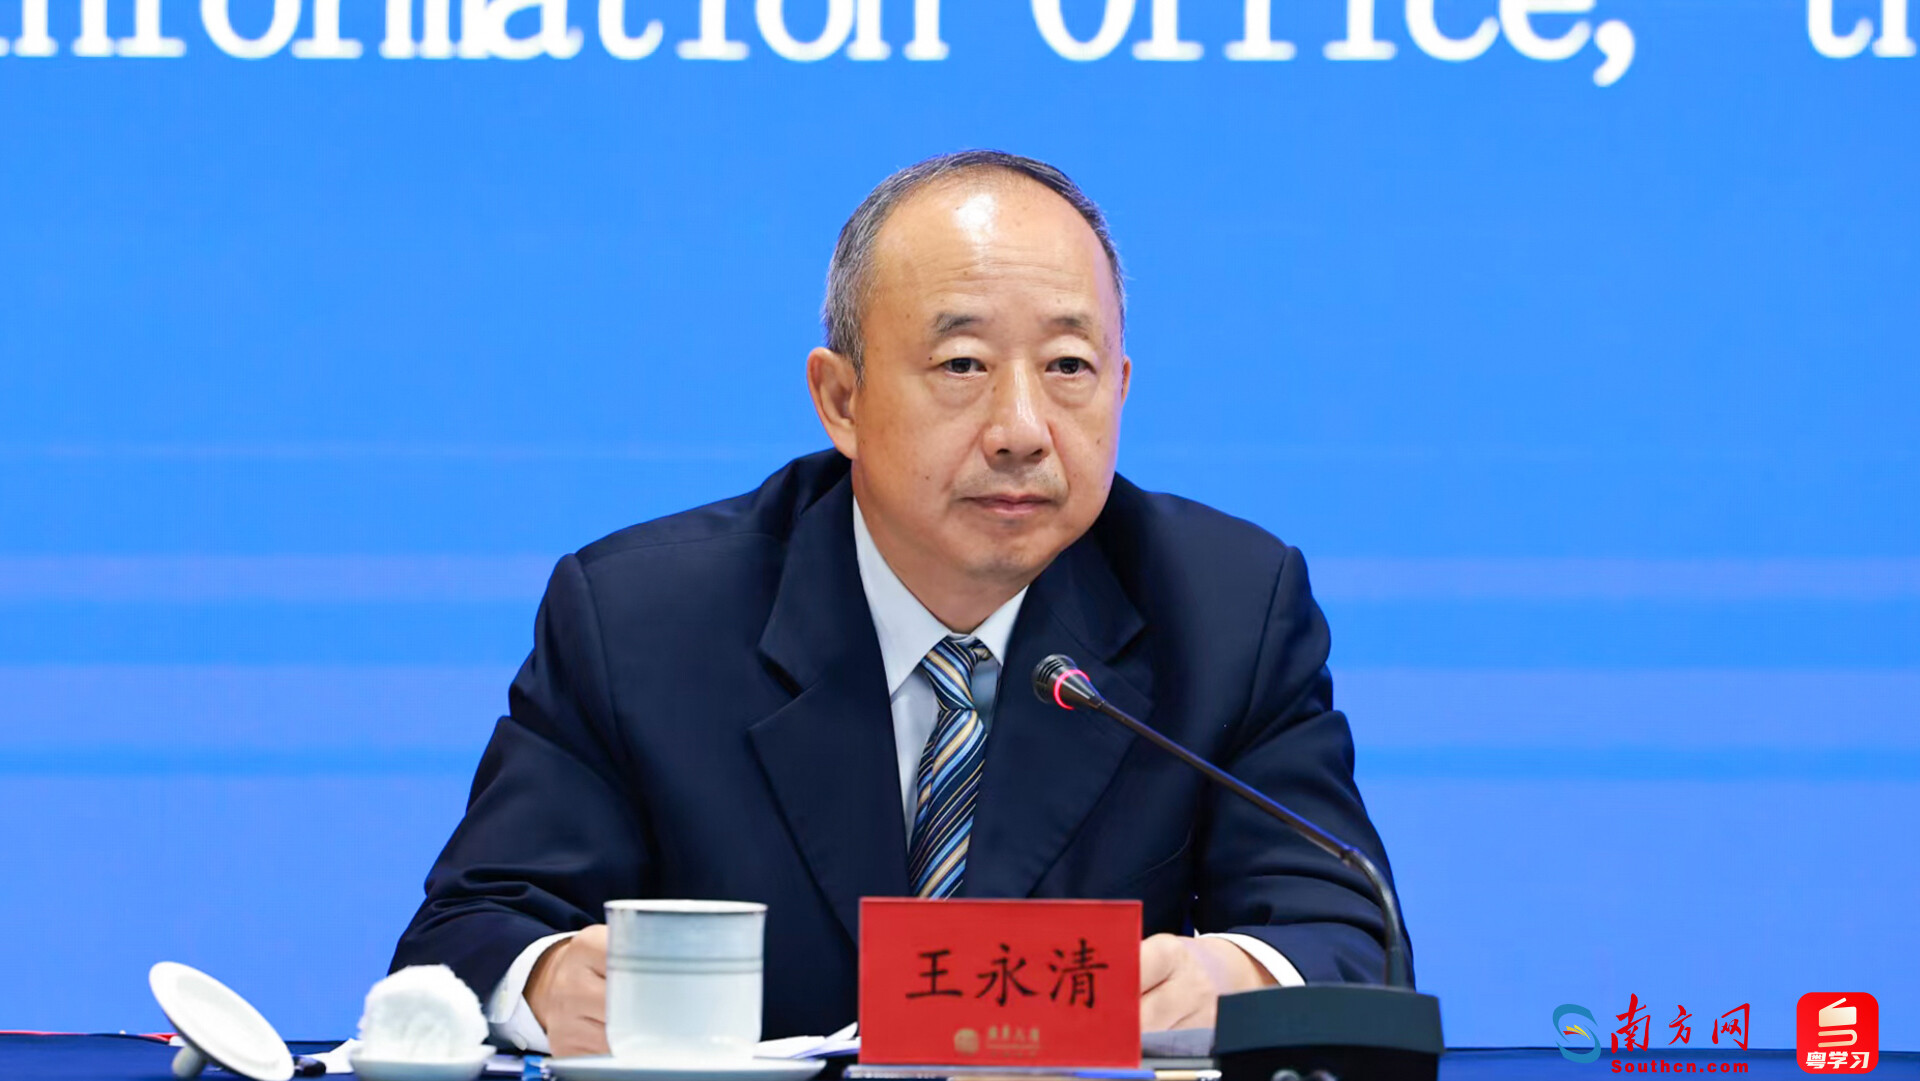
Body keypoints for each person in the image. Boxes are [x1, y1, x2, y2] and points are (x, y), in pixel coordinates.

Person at [390, 150, 1407, 1056]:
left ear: (1122, 388)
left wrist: (1232, 975)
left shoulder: (1229, 610)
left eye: (1069, 367)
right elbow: (466, 933)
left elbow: (1346, 933)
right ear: (841, 399)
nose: (1022, 428)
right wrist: (547, 981)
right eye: (963, 365)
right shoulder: (640, 620)